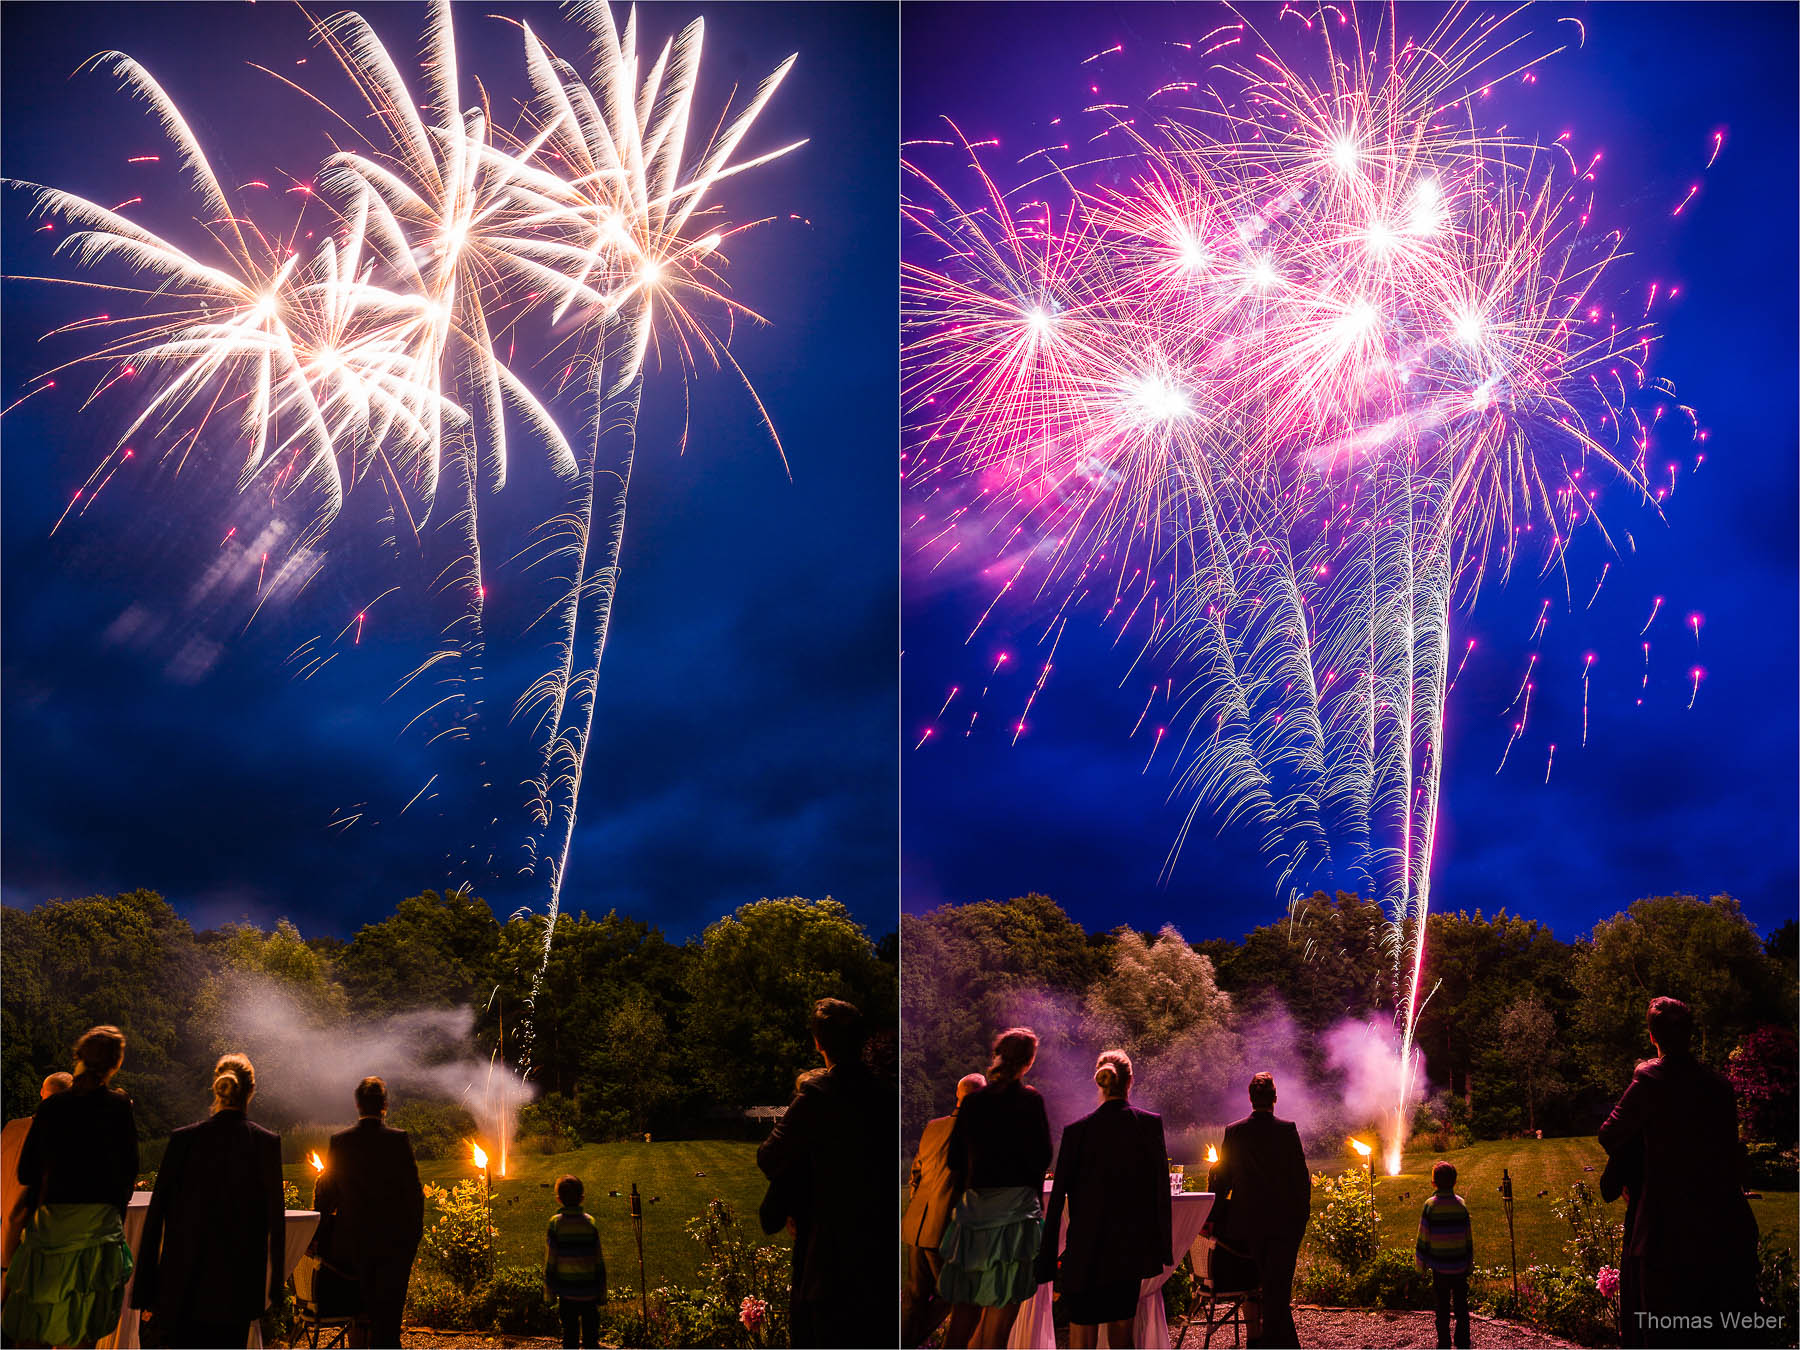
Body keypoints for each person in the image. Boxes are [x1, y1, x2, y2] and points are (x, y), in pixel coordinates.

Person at [1598, 997, 1760, 1348]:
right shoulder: (1717, 1086)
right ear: (1690, 1034)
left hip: (1664, 1223)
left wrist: (1634, 1167)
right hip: (1720, 1217)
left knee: (1662, 1325)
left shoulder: (1650, 1081)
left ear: (1653, 1036)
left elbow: (1610, 1134)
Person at [756, 999, 893, 1349]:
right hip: (877, 1245)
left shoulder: (819, 1094)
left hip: (829, 1250)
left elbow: (770, 1156)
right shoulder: (884, 1094)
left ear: (818, 1043)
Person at [131, 1053, 285, 1347]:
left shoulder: (183, 1140)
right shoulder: (265, 1143)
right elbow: (275, 1221)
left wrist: (146, 1288)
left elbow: (157, 1214)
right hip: (236, 1286)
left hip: (181, 1281)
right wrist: (274, 1286)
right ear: (251, 1091)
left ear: (216, 1087)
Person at [1, 1026, 139, 1349]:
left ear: (78, 1057)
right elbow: (128, 1173)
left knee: (35, 1324)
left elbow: (26, 1171)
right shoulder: (119, 1108)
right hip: (97, 1235)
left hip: (51, 1230)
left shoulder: (52, 1109)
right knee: (82, 1328)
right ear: (115, 1063)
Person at [1035, 1051, 1172, 1350]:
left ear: (1099, 1081)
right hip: (1128, 1249)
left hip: (1084, 1249)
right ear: (1130, 1081)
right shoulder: (1147, 1125)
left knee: (1082, 1335)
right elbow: (1161, 1188)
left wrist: (1046, 1261)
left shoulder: (1076, 1132)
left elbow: (1056, 1200)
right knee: (1122, 1336)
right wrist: (1161, 1248)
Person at [936, 1027, 1054, 1350]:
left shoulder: (973, 1103)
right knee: (997, 1328)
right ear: (1027, 1062)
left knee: (961, 1321)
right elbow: (1043, 1155)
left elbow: (955, 1158)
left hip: (974, 1215)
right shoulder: (1031, 1101)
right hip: (1015, 1216)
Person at [313, 1076, 425, 1349]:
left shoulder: (340, 1142)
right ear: (384, 1105)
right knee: (388, 1326)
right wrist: (411, 1240)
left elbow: (326, 1196)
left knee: (360, 1316)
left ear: (357, 1104)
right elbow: (414, 1196)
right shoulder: (398, 1141)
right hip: (392, 1250)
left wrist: (321, 1237)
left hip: (350, 1253)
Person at [1202, 1072, 1310, 1350]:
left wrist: (1212, 1217)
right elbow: (1300, 1180)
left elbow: (1223, 1180)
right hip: (1284, 1226)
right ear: (1275, 1098)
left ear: (1250, 1098)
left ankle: (1261, 1341)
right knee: (1277, 1293)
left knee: (1272, 1292)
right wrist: (1301, 1218)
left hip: (1246, 1227)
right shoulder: (1287, 1131)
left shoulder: (1235, 1132)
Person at [901, 1072, 985, 1348]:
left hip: (917, 1225)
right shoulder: (977, 1134)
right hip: (945, 1230)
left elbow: (916, 1173)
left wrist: (925, 1204)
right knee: (958, 1297)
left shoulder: (933, 1126)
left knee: (914, 1297)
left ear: (956, 1095)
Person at [1, 1073, 74, 1289]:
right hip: (37, 1242)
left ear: (43, 1092)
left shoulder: (12, 1128)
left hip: (6, 1230)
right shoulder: (64, 1135)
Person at [1414, 1160, 1474, 1350]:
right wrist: (1469, 1262)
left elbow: (1423, 1237)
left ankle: (1444, 1343)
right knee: (1461, 1307)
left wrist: (1420, 1265)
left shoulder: (1430, 1206)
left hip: (1439, 1267)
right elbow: (1467, 1237)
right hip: (1459, 1266)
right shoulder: (1461, 1205)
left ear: (1434, 1183)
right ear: (1455, 1182)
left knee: (1441, 1308)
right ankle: (1463, 1342)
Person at [543, 1174, 606, 1350]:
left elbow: (551, 1260)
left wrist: (549, 1291)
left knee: (569, 1337)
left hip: (567, 1293)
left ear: (558, 1199)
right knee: (591, 1338)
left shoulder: (555, 1224)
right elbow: (598, 1259)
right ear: (582, 1197)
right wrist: (602, 1290)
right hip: (590, 1292)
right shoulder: (590, 1222)